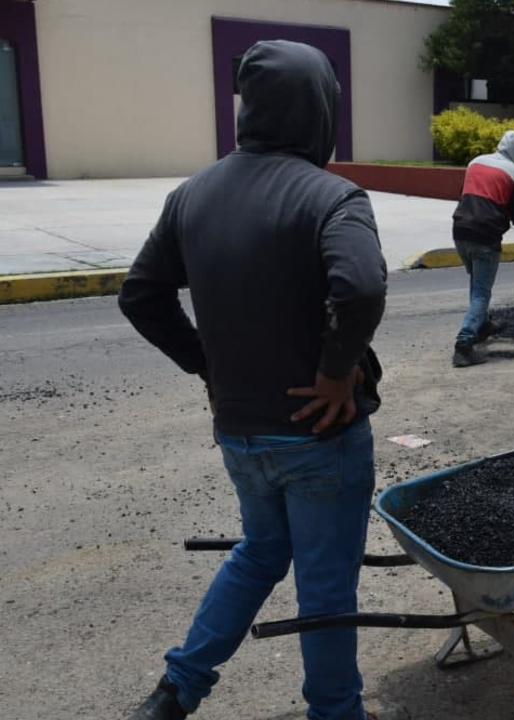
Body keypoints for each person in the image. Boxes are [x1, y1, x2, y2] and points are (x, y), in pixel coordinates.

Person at [118, 40, 388, 720]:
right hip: (319, 435)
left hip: (240, 432)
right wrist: (334, 374)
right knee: (326, 591)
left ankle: (177, 690)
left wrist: (207, 362)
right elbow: (358, 286)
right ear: (320, 108)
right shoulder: (332, 196)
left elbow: (141, 295)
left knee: (261, 550)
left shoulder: (194, 194)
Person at [450, 130, 514, 367]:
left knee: (476, 283)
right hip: (485, 236)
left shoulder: (475, 162)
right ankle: (464, 344)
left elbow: (467, 195)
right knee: (482, 292)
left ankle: (482, 324)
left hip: (460, 230)